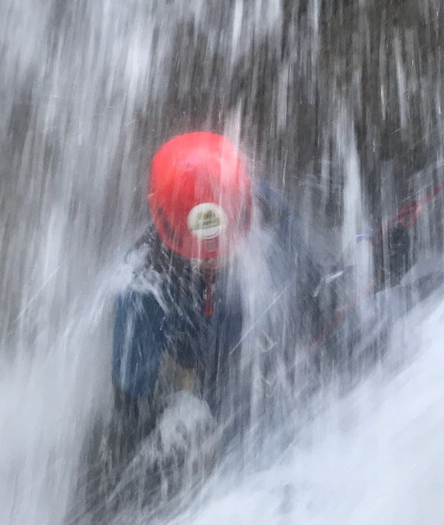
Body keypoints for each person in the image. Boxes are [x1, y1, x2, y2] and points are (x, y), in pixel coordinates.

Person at [108, 131, 412, 467]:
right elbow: (132, 408)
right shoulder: (143, 290)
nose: (216, 260)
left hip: (263, 349)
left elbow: (315, 291)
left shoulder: (266, 212)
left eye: (224, 243)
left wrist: (371, 264)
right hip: (204, 371)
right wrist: (167, 429)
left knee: (376, 333)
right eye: (200, 252)